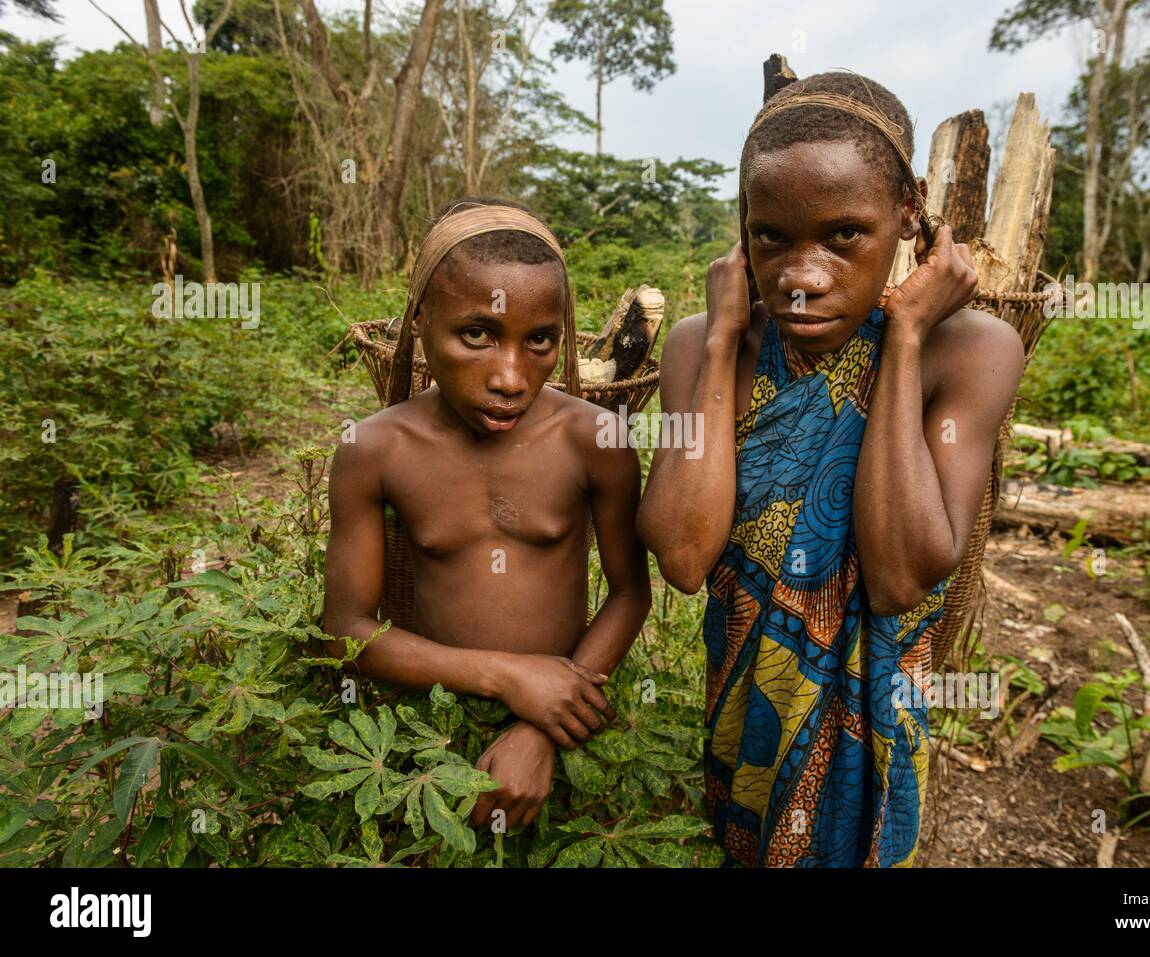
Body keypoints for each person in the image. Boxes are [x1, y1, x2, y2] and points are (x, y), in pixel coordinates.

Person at [637, 72, 1025, 867]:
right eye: (770, 236)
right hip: (740, 723)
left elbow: (901, 574)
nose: (801, 277)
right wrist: (716, 341)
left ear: (910, 211)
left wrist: (906, 335)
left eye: (844, 235)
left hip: (873, 739)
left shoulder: (972, 350)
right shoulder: (704, 346)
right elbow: (681, 556)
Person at [323, 198, 651, 832]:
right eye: (476, 334)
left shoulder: (596, 440)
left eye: (540, 341)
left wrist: (540, 727)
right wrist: (508, 677)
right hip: (432, 728)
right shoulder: (372, 449)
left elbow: (630, 591)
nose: (510, 377)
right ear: (419, 321)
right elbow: (346, 630)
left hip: (572, 713)